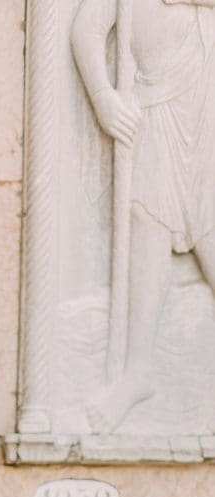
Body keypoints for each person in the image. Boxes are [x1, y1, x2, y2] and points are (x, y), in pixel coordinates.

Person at [72, 0, 215, 431]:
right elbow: (86, 29)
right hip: (153, 109)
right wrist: (103, 98)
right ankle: (137, 372)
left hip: (206, 108)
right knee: (146, 222)